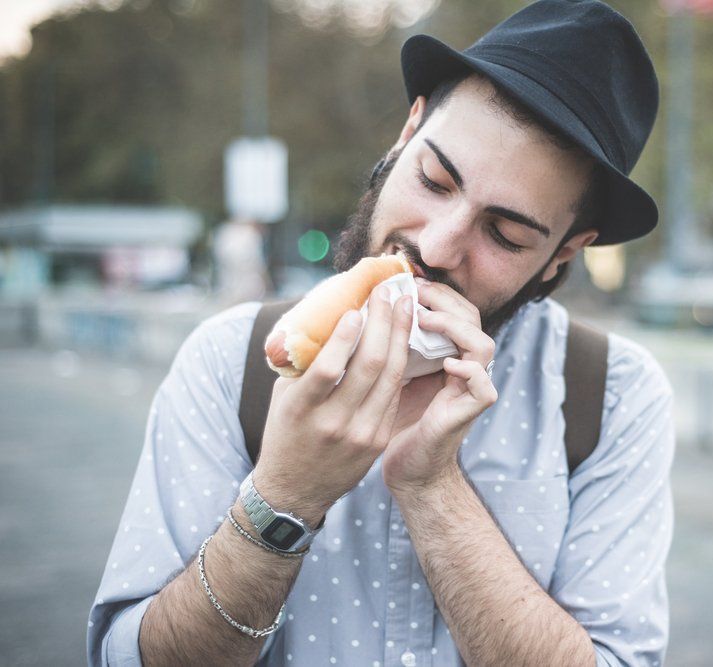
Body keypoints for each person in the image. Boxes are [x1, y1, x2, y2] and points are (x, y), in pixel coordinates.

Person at [88, 1, 675, 665]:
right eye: (434, 179)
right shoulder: (233, 358)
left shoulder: (613, 396)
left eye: (505, 233)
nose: (437, 244)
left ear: (562, 256)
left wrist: (433, 486)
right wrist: (284, 494)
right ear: (406, 132)